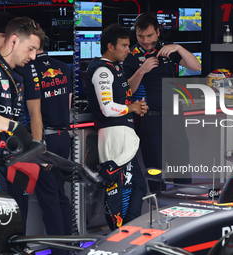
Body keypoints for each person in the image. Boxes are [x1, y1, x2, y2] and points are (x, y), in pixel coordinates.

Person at [0, 16, 45, 220]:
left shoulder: (14, 78)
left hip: (3, 164)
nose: (33, 56)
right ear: (13, 41)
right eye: (30, 48)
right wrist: (13, 127)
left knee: (8, 233)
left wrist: (49, 163)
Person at [123, 13, 201, 192]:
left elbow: (195, 66)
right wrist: (141, 70)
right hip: (151, 120)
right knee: (156, 173)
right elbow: (127, 90)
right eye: (140, 36)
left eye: (149, 35)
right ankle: (159, 214)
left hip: (175, 118)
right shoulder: (131, 56)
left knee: (182, 169)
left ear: (158, 32)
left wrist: (179, 48)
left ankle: (184, 212)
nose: (145, 40)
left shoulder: (167, 51)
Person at [85, 24, 148, 230]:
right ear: (110, 47)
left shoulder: (114, 67)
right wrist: (132, 107)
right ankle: (120, 235)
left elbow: (121, 98)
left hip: (123, 135)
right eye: (124, 46)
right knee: (119, 188)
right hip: (114, 137)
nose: (128, 50)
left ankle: (128, 230)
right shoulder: (102, 71)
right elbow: (107, 109)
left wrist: (136, 107)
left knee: (137, 185)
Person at [16, 35, 73, 255]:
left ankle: (60, 252)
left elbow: (30, 110)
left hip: (43, 139)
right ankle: (71, 245)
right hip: (63, 136)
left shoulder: (28, 69)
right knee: (60, 195)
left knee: (49, 198)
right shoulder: (64, 68)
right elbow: (67, 104)